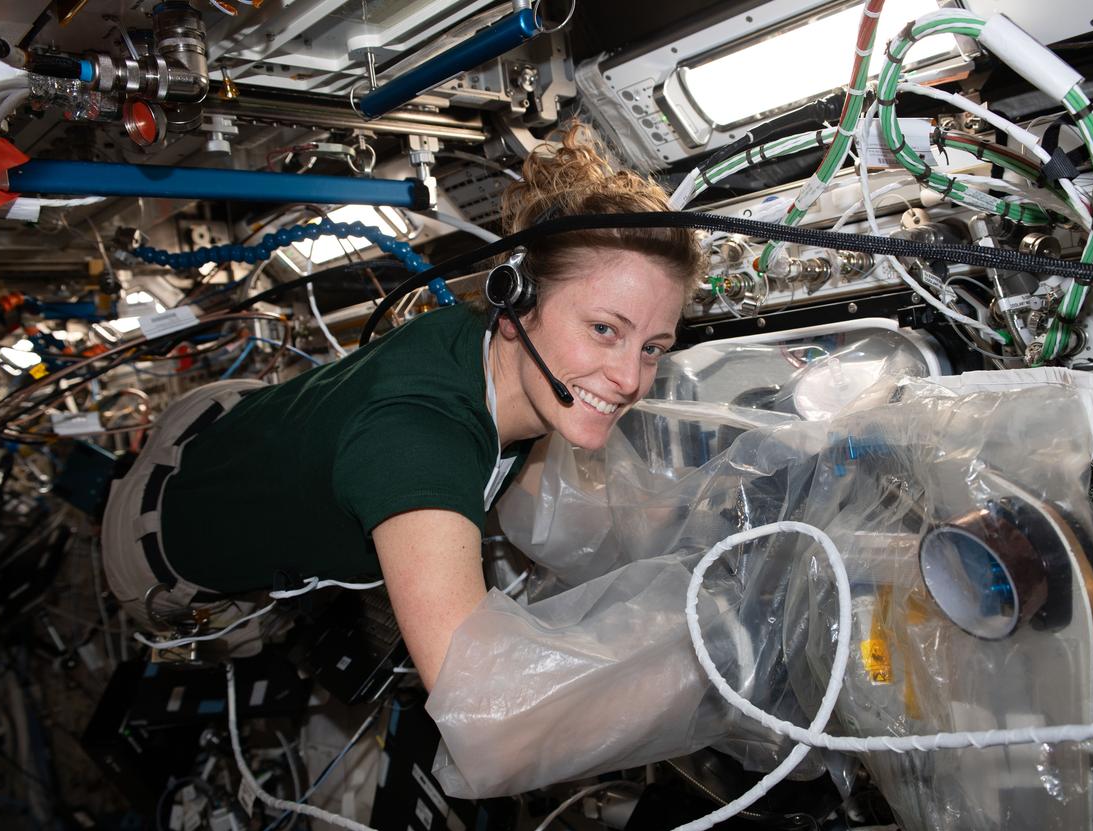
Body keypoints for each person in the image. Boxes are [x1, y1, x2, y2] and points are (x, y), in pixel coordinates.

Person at [101, 123, 706, 687]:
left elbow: (578, 527)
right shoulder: (420, 441)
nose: (630, 378)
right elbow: (478, 702)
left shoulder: (497, 358)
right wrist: (703, 667)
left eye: (653, 347)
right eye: (604, 329)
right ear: (515, 304)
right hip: (153, 536)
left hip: (229, 425)